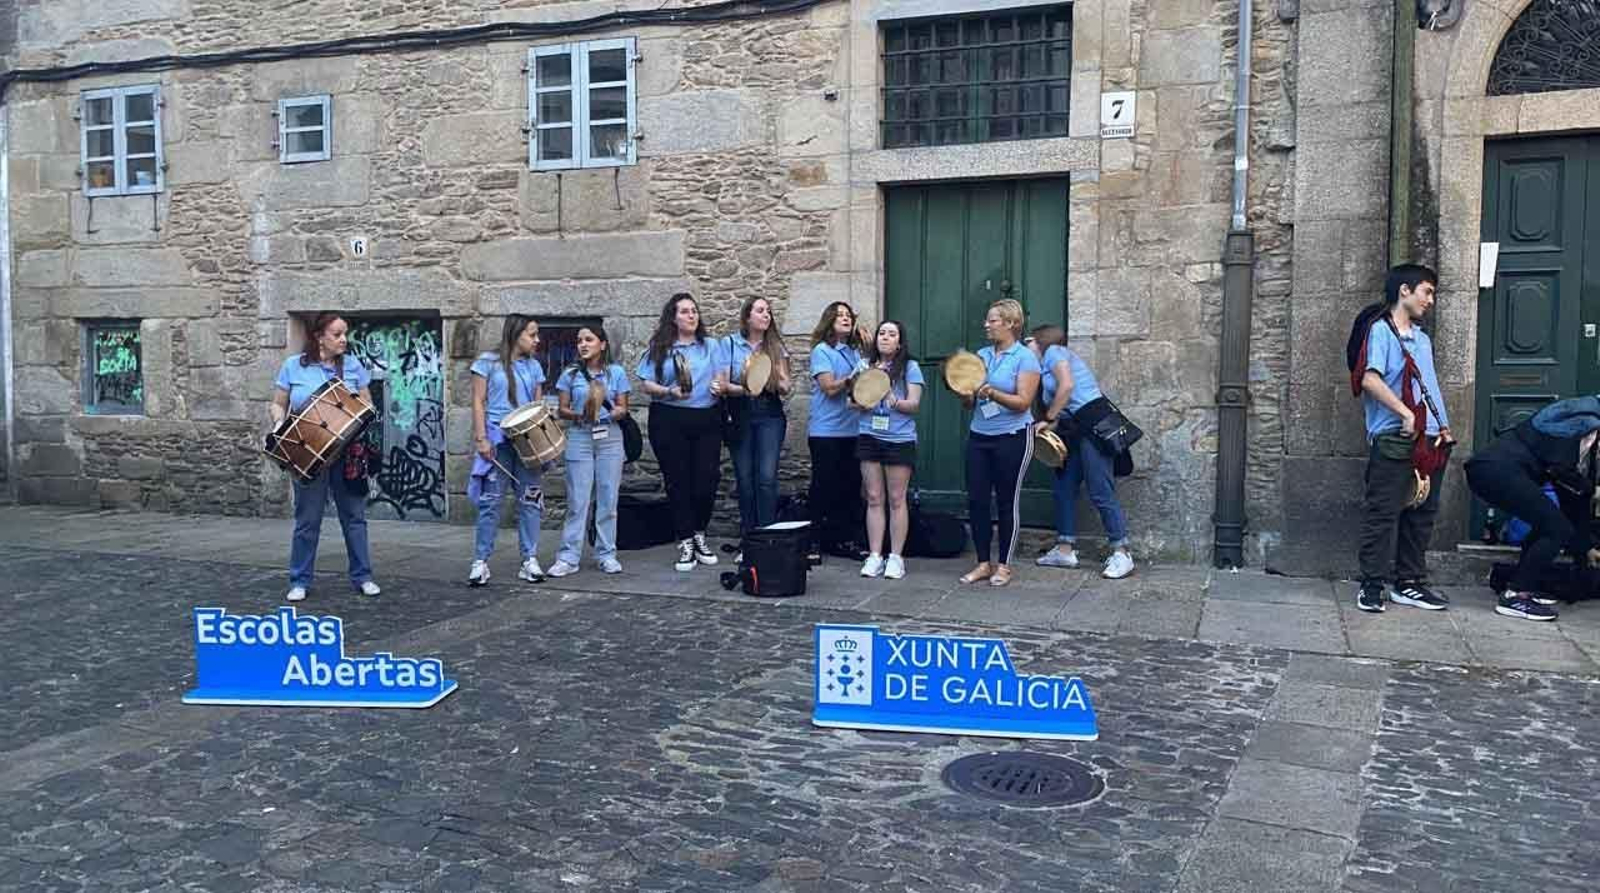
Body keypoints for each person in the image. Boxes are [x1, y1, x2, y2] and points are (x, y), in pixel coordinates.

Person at [1353, 264, 1454, 613]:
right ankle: (1371, 585)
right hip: (1395, 436)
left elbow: (1427, 385)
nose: (1431, 300)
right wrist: (1405, 413)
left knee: (1422, 514)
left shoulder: (1422, 339)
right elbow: (1369, 379)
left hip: (1432, 438)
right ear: (1404, 291)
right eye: (1427, 291)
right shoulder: (1381, 331)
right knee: (1383, 513)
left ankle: (1409, 583)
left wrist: (1442, 425)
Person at [270, 312, 381, 602]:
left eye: (345, 333)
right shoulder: (293, 366)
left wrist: (358, 413)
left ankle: (363, 577)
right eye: (337, 334)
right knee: (307, 521)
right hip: (308, 454)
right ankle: (299, 580)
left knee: (354, 518)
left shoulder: (353, 366)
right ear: (319, 337)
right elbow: (278, 404)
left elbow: (367, 405)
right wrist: (279, 425)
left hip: (347, 455)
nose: (344, 339)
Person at [1466, 396, 1600, 621]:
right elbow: (1564, 475)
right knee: (1556, 529)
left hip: (1491, 469)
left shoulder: (1572, 420)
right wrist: (1591, 490)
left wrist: (1585, 547)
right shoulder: (1585, 425)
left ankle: (1523, 585)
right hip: (1498, 471)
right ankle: (1516, 594)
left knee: (1549, 524)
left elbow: (1568, 497)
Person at [1030, 325, 1134, 579]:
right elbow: (1064, 405)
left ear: (1041, 341)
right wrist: (1050, 424)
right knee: (1063, 487)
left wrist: (1048, 417)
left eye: (1029, 340)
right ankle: (1064, 549)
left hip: (1094, 424)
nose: (1025, 345)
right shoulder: (1042, 369)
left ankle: (1122, 553)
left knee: (1100, 489)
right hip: (1073, 429)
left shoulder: (1054, 352)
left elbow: (1066, 387)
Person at [636, 293, 728, 572]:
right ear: (673, 318)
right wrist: (669, 391)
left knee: (707, 478)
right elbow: (646, 384)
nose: (691, 315)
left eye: (694, 311)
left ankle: (699, 533)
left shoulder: (710, 345)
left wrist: (719, 386)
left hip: (706, 417)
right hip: (669, 418)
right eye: (685, 311)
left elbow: (721, 376)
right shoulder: (660, 347)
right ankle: (686, 540)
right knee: (677, 480)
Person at [958, 299, 1041, 588]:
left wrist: (991, 393)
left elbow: (1023, 402)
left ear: (1010, 323)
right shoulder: (981, 356)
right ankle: (983, 563)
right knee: (977, 500)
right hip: (979, 436)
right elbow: (969, 403)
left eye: (992, 320)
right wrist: (966, 394)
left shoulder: (1025, 358)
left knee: (1007, 501)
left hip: (1013, 436)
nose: (986, 325)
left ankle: (1004, 565)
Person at [466, 315, 547, 587]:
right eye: (532, 335)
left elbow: (537, 408)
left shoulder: (534, 366)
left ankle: (529, 559)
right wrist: (481, 438)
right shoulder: (487, 363)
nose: (537, 340)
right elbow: (478, 401)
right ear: (515, 334)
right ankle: (480, 562)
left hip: (526, 442)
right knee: (491, 501)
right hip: (497, 440)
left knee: (530, 500)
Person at [548, 324, 631, 578]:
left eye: (589, 339)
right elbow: (562, 409)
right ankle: (568, 557)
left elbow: (623, 407)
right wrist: (579, 415)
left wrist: (613, 413)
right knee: (577, 500)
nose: (583, 344)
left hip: (610, 438)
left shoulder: (616, 372)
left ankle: (606, 554)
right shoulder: (570, 374)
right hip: (580, 436)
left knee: (608, 498)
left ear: (602, 344)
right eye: (579, 340)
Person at [856, 320, 923, 580]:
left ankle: (896, 557)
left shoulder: (910, 367)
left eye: (891, 334)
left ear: (899, 342)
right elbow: (851, 402)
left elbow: (914, 404)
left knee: (896, 498)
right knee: (874, 497)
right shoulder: (864, 366)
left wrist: (893, 400)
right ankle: (875, 555)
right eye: (882, 333)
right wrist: (864, 400)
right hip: (869, 435)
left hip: (899, 438)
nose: (885, 337)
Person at [722, 297, 792, 535]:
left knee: (766, 478)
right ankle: (749, 537)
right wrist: (747, 388)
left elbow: (786, 387)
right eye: (760, 311)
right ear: (747, 316)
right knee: (744, 480)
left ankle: (767, 536)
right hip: (739, 413)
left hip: (769, 414)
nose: (766, 315)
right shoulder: (730, 344)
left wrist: (774, 376)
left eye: (768, 312)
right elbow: (723, 384)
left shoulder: (776, 347)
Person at [807, 301, 868, 561]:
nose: (845, 318)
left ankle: (843, 540)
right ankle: (811, 541)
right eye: (839, 315)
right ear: (829, 321)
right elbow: (830, 387)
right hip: (826, 431)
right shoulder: (822, 351)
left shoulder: (855, 352)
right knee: (823, 487)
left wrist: (867, 353)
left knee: (850, 487)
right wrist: (853, 377)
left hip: (852, 430)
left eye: (848, 315)